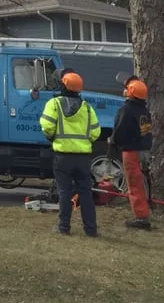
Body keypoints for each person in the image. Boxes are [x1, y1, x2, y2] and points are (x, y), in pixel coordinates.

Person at [40, 70, 102, 237]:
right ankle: (91, 230)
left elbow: (47, 126)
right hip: (83, 158)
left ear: (63, 85)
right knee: (86, 194)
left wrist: (53, 138)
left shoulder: (54, 104)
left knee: (65, 192)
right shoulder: (87, 108)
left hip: (62, 156)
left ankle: (64, 228)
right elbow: (96, 133)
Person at [110, 77, 152, 230]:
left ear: (131, 92)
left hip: (131, 151)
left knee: (134, 184)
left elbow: (120, 130)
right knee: (144, 181)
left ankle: (141, 218)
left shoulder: (126, 110)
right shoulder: (144, 110)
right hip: (145, 150)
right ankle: (147, 207)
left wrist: (114, 143)